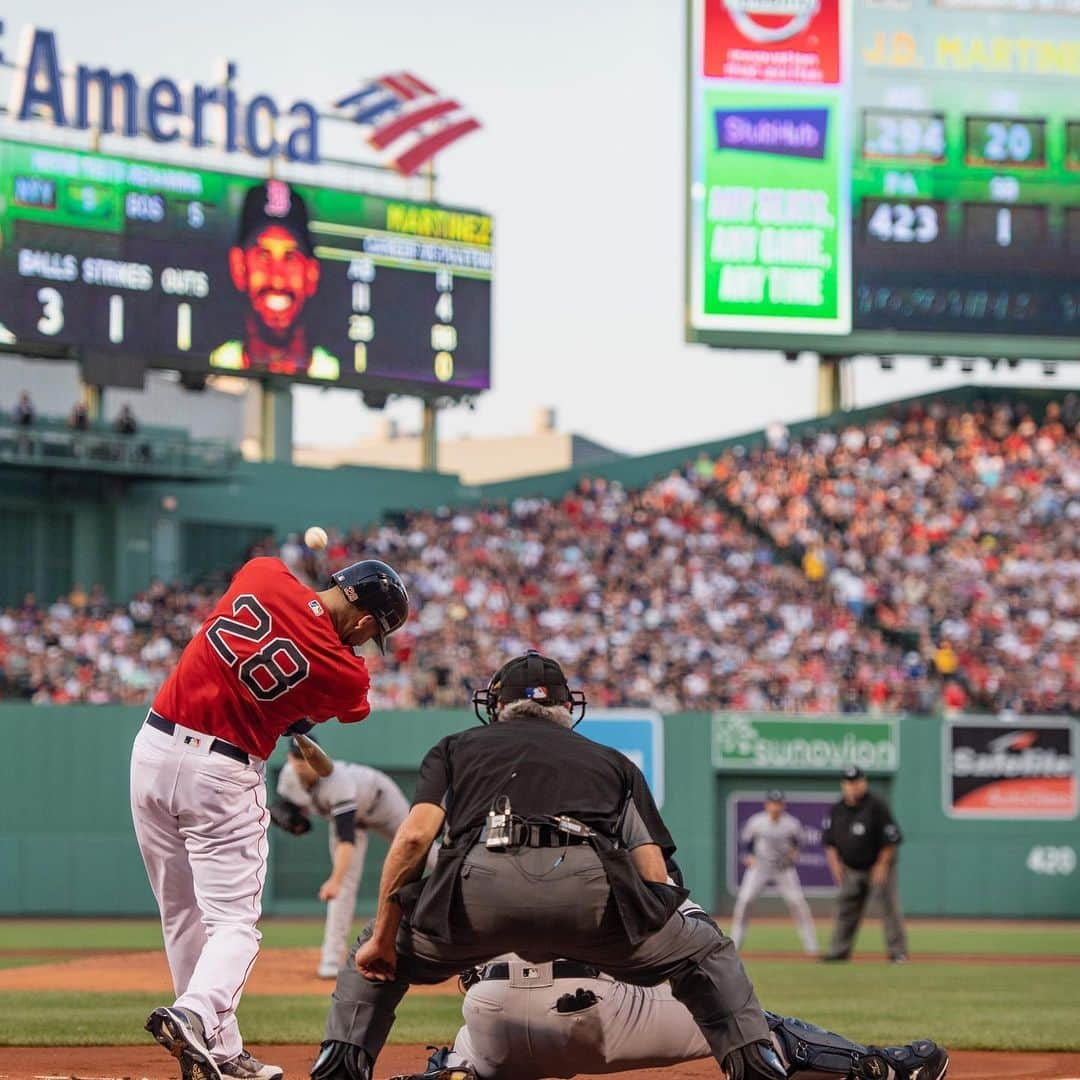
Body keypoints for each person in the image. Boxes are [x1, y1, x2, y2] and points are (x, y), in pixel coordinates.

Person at [312, 650, 786, 1080]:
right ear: (565, 707)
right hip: (589, 894)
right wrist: (648, 938)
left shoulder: (456, 747)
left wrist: (383, 937)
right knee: (706, 953)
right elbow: (653, 870)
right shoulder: (613, 762)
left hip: (480, 888)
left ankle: (338, 1068)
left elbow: (415, 837)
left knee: (369, 960)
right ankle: (756, 1066)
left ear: (497, 705)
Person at [130, 557, 408, 1080]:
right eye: (372, 633)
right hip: (221, 770)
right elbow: (348, 704)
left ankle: (220, 1048)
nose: (366, 642)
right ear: (369, 621)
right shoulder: (346, 673)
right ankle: (195, 1012)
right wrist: (294, 707)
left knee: (181, 912)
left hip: (152, 750)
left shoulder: (264, 573)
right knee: (234, 922)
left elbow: (270, 635)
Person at [389, 944, 948, 1080]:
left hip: (490, 1010)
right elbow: (678, 940)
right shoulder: (604, 818)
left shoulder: (468, 840)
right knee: (744, 1019)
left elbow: (436, 957)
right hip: (592, 1007)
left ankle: (459, 1068)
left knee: (470, 1036)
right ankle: (876, 1066)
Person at [272, 737, 437, 978]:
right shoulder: (288, 778)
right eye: (297, 758)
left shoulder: (337, 782)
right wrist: (294, 818)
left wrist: (335, 880)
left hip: (381, 804)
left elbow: (345, 839)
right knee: (344, 889)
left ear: (319, 758)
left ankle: (461, 871)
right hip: (347, 818)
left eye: (307, 758)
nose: (301, 764)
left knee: (425, 851)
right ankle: (330, 959)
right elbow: (293, 808)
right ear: (289, 758)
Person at [210, 179, 339, 381]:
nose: (278, 278)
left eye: (290, 258)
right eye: (263, 256)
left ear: (311, 273)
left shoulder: (334, 374)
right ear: (239, 267)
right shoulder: (216, 368)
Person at [822, 766, 907, 963]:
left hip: (877, 866)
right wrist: (835, 865)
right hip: (851, 869)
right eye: (849, 783)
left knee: (889, 909)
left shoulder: (877, 806)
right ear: (843, 785)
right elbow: (830, 842)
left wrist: (882, 866)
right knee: (846, 910)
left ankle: (897, 952)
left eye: (857, 782)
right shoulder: (837, 809)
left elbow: (891, 839)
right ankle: (838, 952)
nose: (853, 786)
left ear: (864, 782)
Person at [731, 790, 817, 956]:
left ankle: (812, 947)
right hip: (760, 867)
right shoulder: (757, 822)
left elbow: (797, 843)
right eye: (772, 803)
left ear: (783, 805)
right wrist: (749, 856)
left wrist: (794, 853)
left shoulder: (791, 824)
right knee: (745, 901)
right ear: (767, 805)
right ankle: (735, 944)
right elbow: (748, 842)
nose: (775, 807)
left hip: (783, 868)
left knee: (798, 903)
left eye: (778, 803)